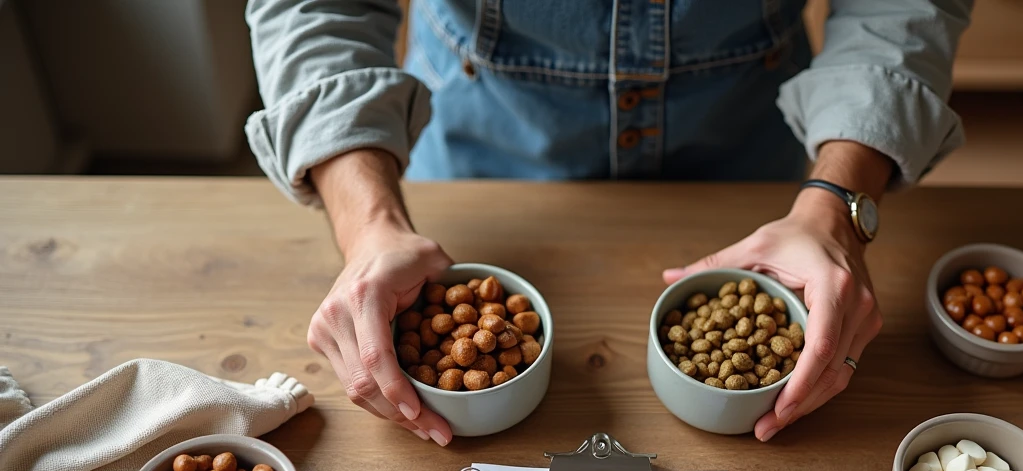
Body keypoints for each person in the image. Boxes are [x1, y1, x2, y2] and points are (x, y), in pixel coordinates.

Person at [246, 0, 972, 445]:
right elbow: (315, 6)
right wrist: (369, 222)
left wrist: (837, 207)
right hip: (477, 164)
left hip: (757, 176)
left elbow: (900, 5)